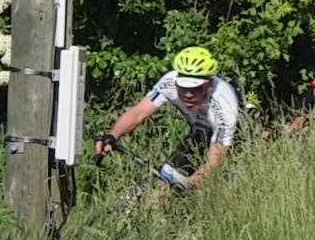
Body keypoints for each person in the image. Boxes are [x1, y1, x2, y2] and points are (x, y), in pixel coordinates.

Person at [103, 46, 240, 185]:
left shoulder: (224, 102)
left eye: (195, 88)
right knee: (164, 182)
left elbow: (214, 162)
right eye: (183, 87)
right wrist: (113, 135)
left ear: (208, 84)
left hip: (238, 138)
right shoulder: (169, 81)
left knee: (216, 184)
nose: (188, 94)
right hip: (201, 133)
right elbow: (139, 112)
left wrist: (188, 184)